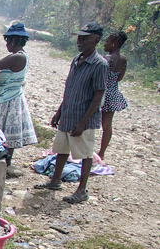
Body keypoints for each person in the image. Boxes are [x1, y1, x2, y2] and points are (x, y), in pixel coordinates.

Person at [35, 22, 108, 204]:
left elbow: (98, 94)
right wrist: (59, 111)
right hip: (68, 113)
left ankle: (81, 190)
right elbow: (70, 89)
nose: (80, 41)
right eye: (79, 37)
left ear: (96, 39)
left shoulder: (99, 64)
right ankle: (55, 181)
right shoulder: (76, 60)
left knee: (85, 153)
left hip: (83, 117)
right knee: (61, 149)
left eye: (85, 38)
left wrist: (83, 121)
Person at [0, 22, 38, 177]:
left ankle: (5, 163)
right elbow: (7, 73)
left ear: (15, 40)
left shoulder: (18, 56)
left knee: (5, 132)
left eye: (9, 41)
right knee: (4, 131)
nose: (7, 45)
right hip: (8, 97)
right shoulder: (18, 56)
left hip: (9, 100)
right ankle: (3, 160)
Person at [99, 30, 128, 161]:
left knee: (90, 121)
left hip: (101, 93)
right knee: (107, 125)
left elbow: (99, 77)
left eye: (107, 41)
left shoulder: (106, 59)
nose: (105, 44)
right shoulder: (123, 60)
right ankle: (102, 152)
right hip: (113, 92)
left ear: (114, 44)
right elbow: (120, 78)